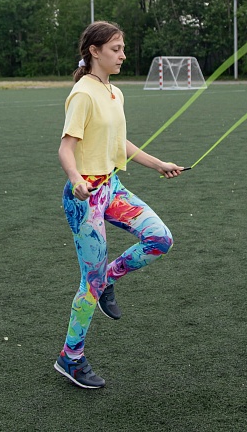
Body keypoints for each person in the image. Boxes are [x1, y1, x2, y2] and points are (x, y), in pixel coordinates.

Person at [55, 21, 184, 390]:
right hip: (85, 198)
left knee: (160, 239)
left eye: (122, 48)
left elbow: (119, 142)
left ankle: (108, 279)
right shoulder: (83, 94)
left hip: (111, 188)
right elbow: (65, 148)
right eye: (116, 49)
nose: (123, 55)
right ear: (95, 51)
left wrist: (158, 163)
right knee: (89, 283)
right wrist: (77, 181)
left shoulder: (114, 92)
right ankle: (71, 358)